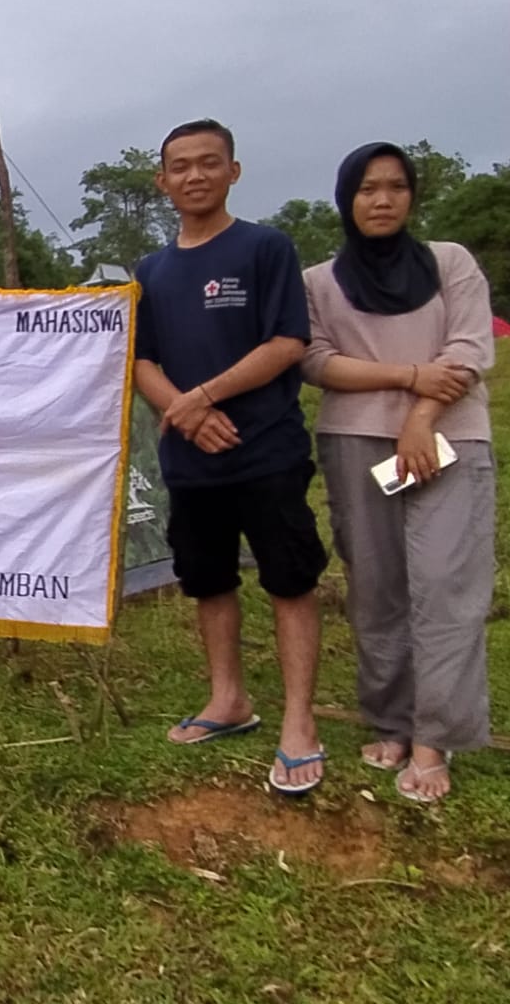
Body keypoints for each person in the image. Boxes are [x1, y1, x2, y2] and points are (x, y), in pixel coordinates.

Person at [132, 119, 330, 793]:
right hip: (192, 460)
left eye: (208, 163)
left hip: (265, 447)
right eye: (180, 167)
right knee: (208, 579)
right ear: (163, 183)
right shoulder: (151, 271)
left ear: (233, 171)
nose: (194, 176)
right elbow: (142, 360)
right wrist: (184, 415)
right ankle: (229, 701)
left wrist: (201, 399)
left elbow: (287, 343)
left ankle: (299, 723)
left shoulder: (265, 247)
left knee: (289, 578)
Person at [302, 142, 496, 803]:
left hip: (449, 443)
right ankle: (388, 719)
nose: (381, 200)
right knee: (377, 586)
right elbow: (318, 361)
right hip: (357, 443)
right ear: (346, 200)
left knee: (445, 586)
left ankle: (433, 739)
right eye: (366, 189)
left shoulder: (451, 265)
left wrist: (420, 416)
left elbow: (470, 347)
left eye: (394, 187)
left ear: (413, 196)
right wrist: (408, 376)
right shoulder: (320, 282)